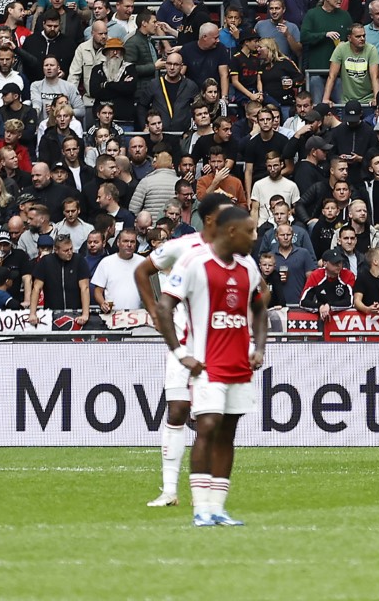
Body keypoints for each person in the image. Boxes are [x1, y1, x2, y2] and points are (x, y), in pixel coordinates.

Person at [158, 203, 267, 528]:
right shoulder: (194, 262)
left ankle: (217, 507)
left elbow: (260, 308)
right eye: (250, 232)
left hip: (239, 364)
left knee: (228, 434)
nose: (254, 238)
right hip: (207, 364)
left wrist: (258, 347)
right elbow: (165, 307)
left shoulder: (248, 267)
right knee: (206, 427)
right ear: (231, 232)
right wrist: (180, 354)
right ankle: (200, 508)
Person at [132, 190, 234, 508]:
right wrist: (153, 311)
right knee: (176, 411)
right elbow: (142, 272)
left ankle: (209, 492)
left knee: (211, 419)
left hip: (212, 346)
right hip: (180, 347)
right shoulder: (178, 252)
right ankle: (169, 490)